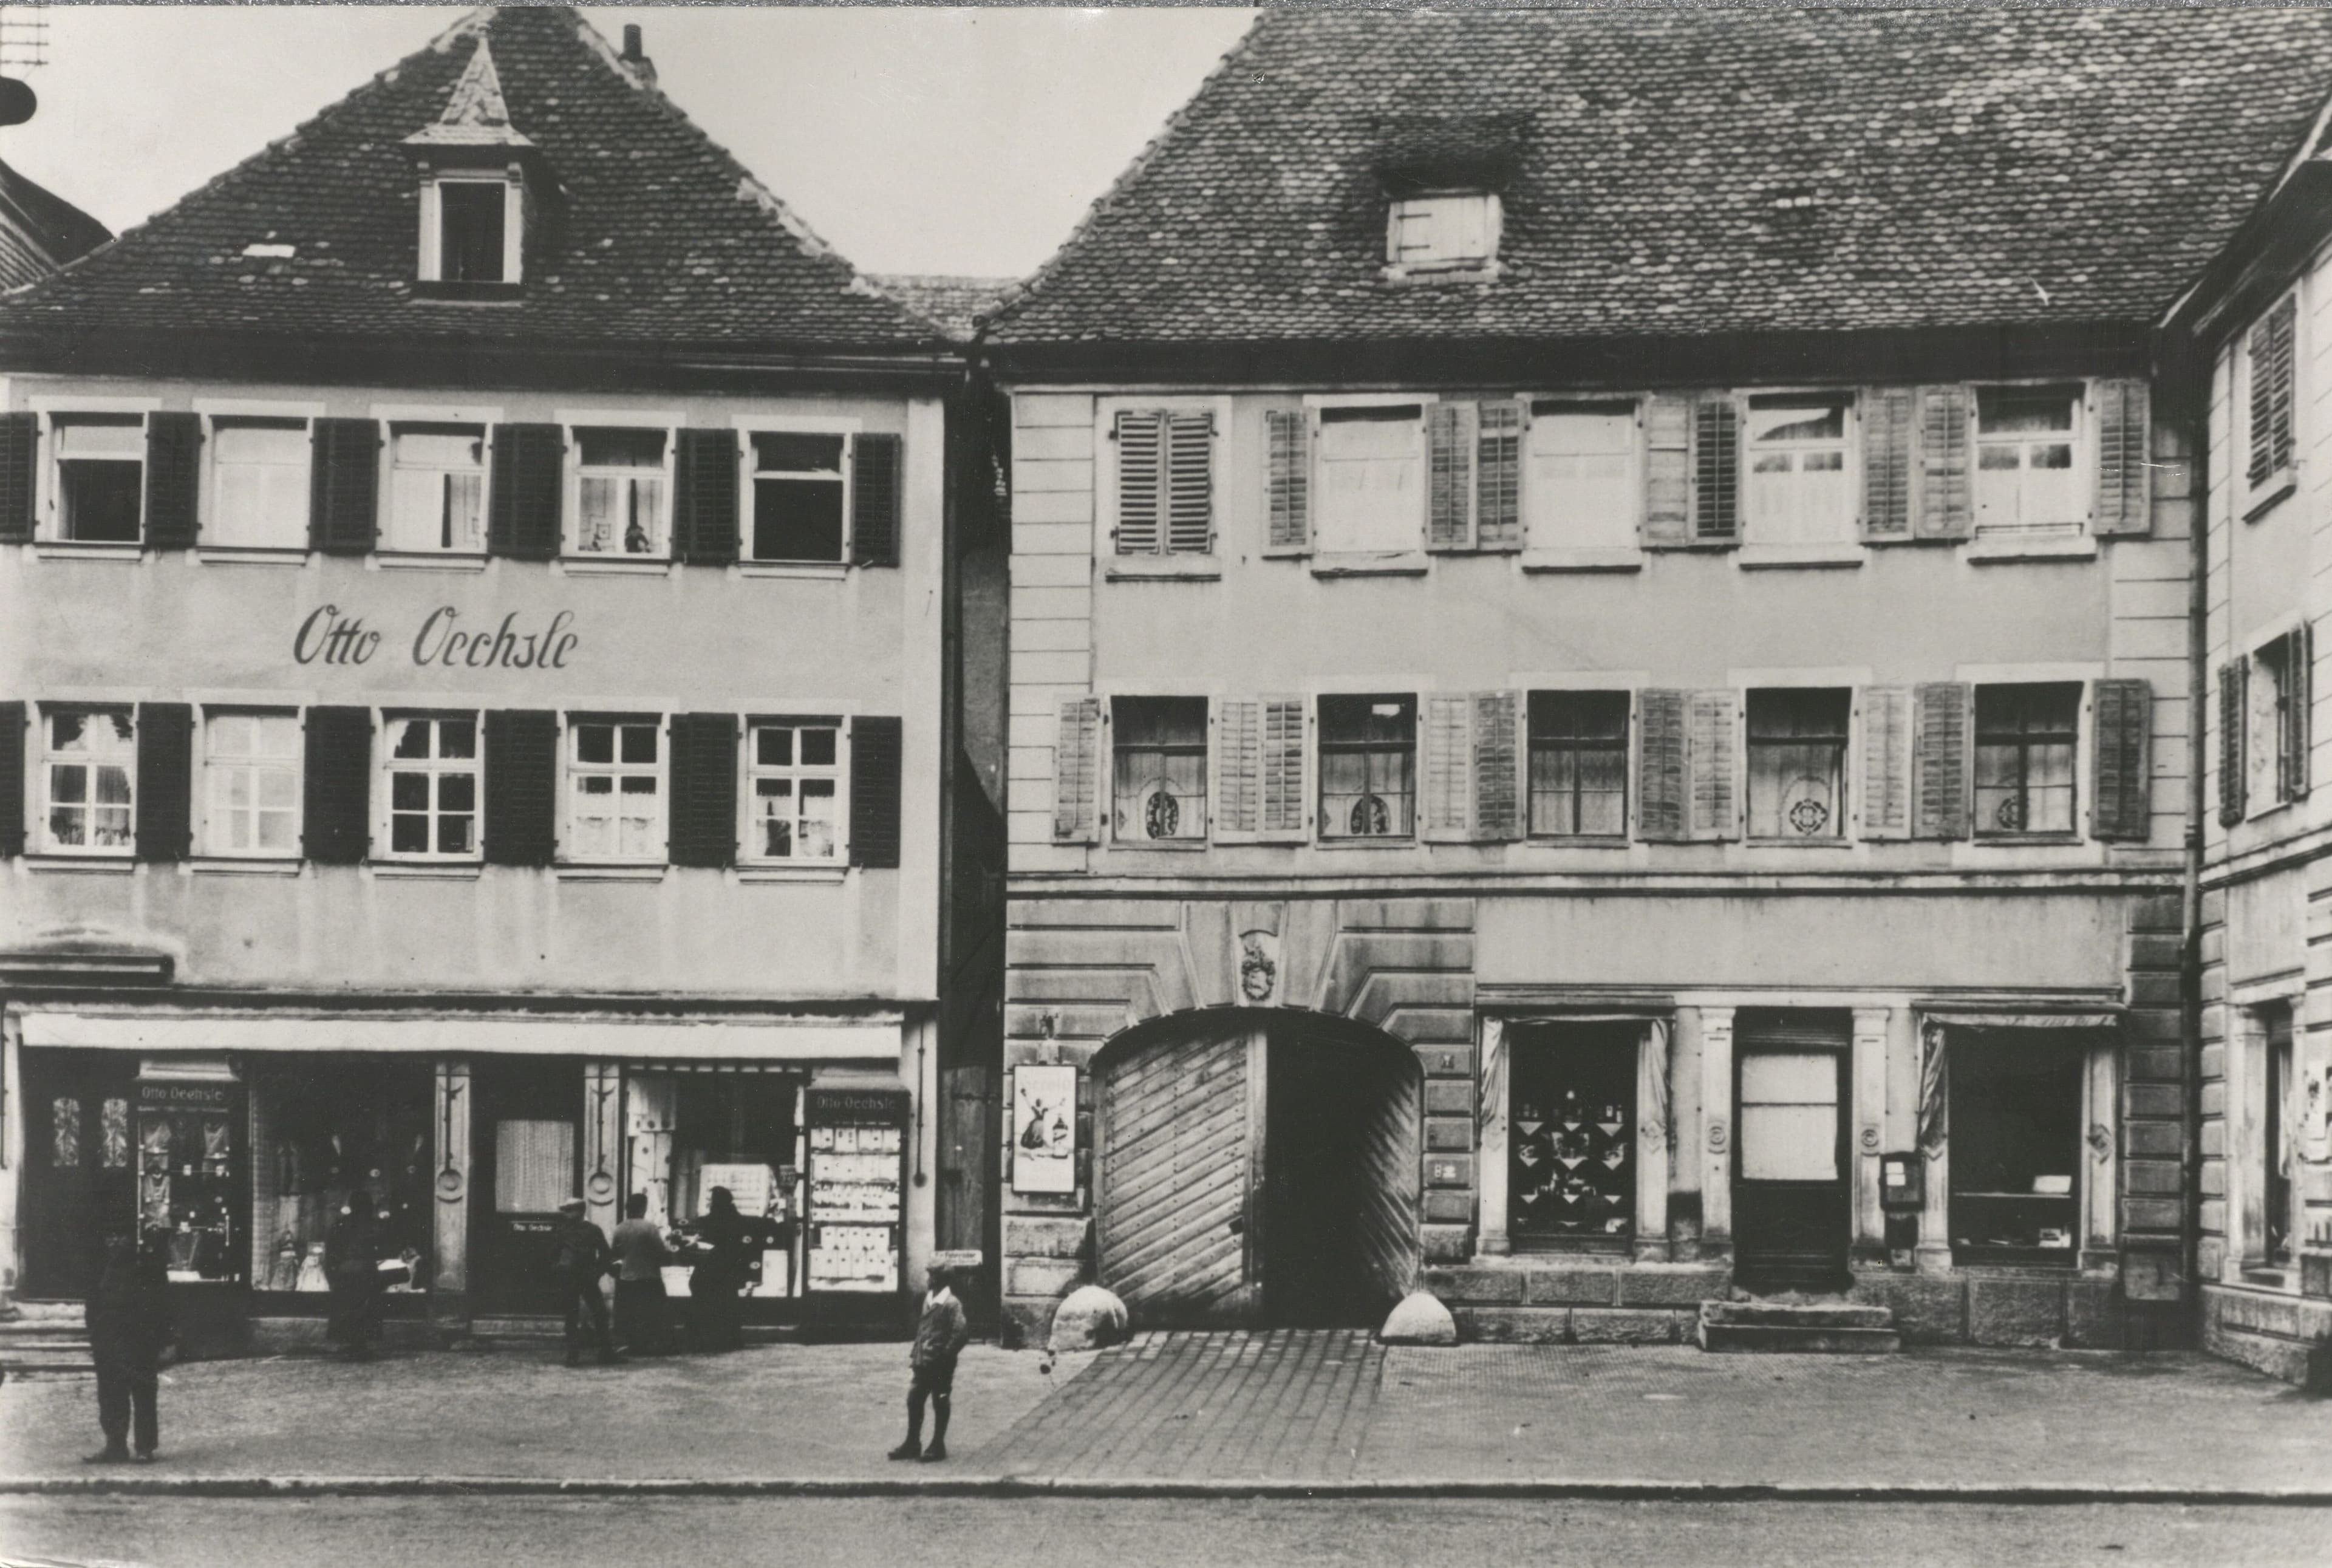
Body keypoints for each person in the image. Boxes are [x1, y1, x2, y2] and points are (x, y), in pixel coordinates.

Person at [85, 1226, 169, 1464]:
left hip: (139, 1342)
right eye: (110, 1235)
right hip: (108, 1343)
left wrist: (163, 1340)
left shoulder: (146, 1268)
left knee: (143, 1394)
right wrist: (95, 1335)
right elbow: (91, 1305)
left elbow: (162, 1305)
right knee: (110, 1396)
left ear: (132, 1239)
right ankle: (115, 1446)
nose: (114, 1241)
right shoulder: (100, 1269)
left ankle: (145, 1447)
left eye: (120, 1235)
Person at [888, 1261, 970, 1464]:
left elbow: (961, 1334)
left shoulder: (952, 1304)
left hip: (941, 1363)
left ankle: (937, 1444)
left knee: (940, 1401)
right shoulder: (928, 1299)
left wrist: (946, 1355)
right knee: (914, 1399)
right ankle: (913, 1443)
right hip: (923, 1361)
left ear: (938, 1279)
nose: (927, 1279)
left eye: (930, 1275)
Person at [679, 1185, 765, 1354]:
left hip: (711, 1266)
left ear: (716, 1202)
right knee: (728, 1300)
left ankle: (701, 1338)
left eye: (712, 1199)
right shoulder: (737, 1219)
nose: (710, 1202)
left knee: (701, 1296)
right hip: (731, 1267)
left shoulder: (711, 1220)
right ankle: (730, 1338)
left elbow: (706, 1238)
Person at [551, 1197, 619, 1368]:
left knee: (600, 1315)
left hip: (587, 1278)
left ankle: (606, 1353)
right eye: (566, 1210)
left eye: (570, 1210)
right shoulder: (562, 1231)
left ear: (581, 1211)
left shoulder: (594, 1230)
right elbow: (553, 1254)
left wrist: (596, 1273)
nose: (566, 1214)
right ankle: (573, 1355)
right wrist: (559, 1269)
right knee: (571, 1317)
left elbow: (605, 1255)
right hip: (570, 1278)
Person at [609, 1192, 675, 1355]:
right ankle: (649, 1344)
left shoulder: (620, 1228)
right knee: (651, 1311)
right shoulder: (649, 1227)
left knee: (630, 1313)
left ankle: (633, 1344)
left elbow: (616, 1252)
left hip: (627, 1277)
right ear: (643, 1208)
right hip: (648, 1276)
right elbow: (660, 1251)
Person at [323, 1199, 382, 1361]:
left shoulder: (341, 1224)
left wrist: (332, 1273)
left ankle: (351, 1343)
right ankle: (360, 1345)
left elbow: (331, 1251)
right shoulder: (372, 1225)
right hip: (365, 1270)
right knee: (365, 1308)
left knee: (346, 1308)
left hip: (345, 1271)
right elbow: (381, 1247)